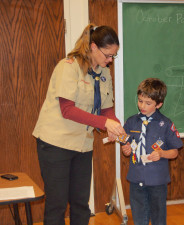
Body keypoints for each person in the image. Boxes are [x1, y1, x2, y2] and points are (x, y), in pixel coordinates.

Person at [32, 24, 125, 225]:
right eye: (108, 55)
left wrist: (116, 127)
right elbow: (68, 110)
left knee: (81, 202)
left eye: (113, 56)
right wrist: (104, 122)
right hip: (56, 143)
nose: (110, 60)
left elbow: (106, 109)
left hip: (82, 145)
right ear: (93, 47)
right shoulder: (68, 66)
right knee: (57, 204)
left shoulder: (104, 73)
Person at [121, 78, 183, 225]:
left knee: (158, 216)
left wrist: (162, 153)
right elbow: (126, 149)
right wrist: (126, 150)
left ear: (159, 104)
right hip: (136, 178)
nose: (142, 105)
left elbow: (175, 152)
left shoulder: (166, 124)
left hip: (157, 180)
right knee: (139, 216)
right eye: (140, 101)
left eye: (148, 103)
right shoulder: (131, 122)